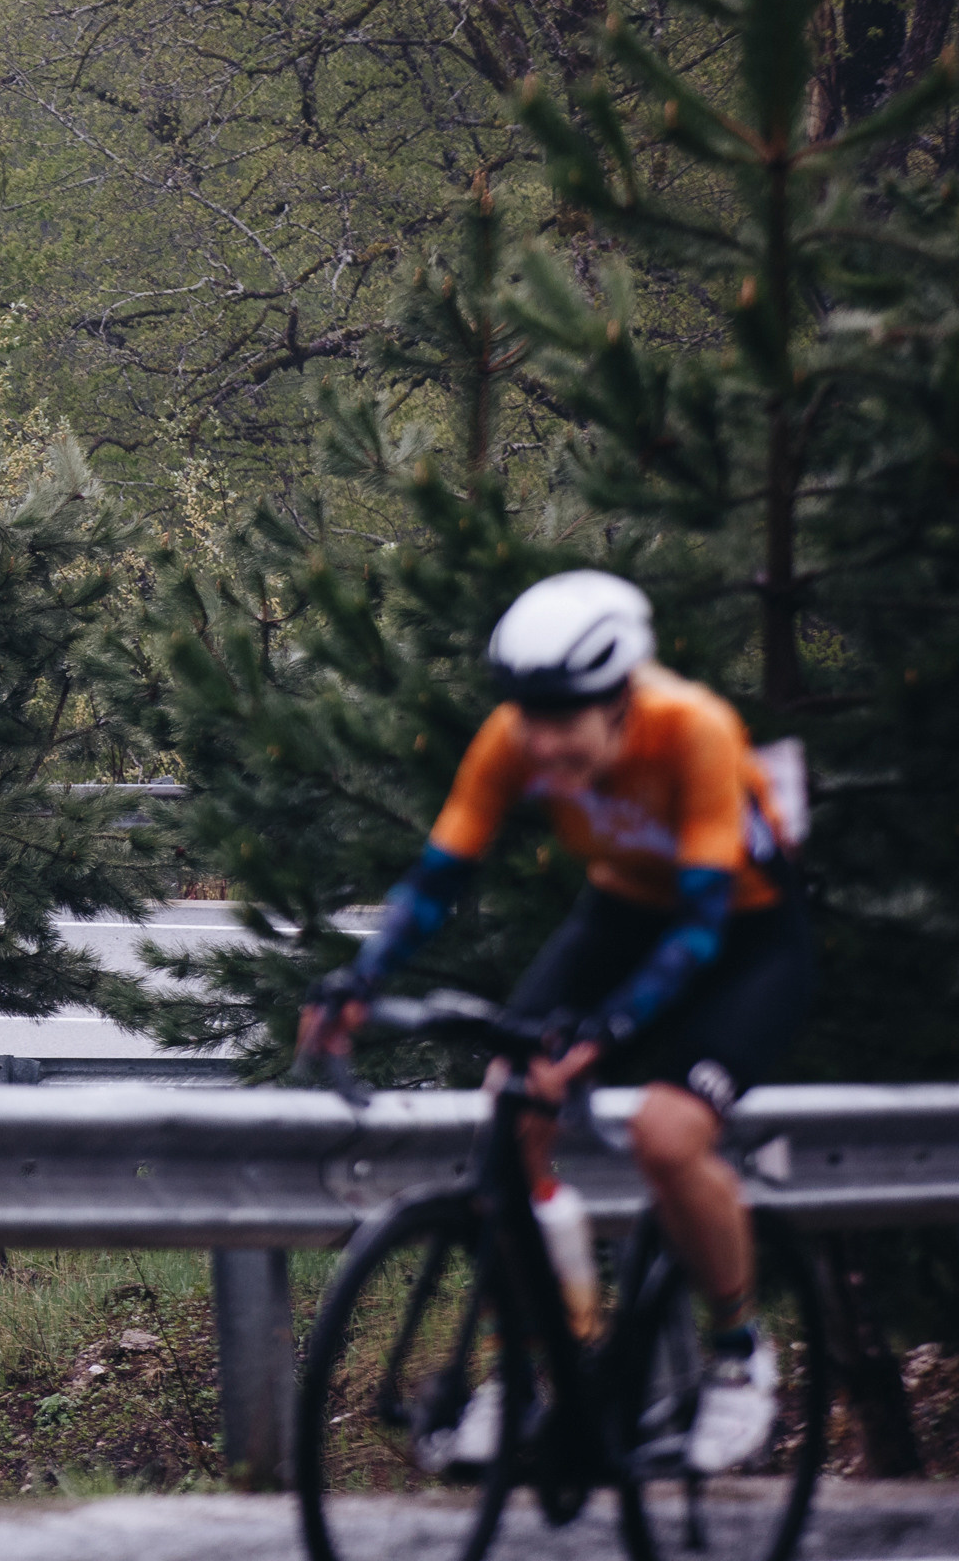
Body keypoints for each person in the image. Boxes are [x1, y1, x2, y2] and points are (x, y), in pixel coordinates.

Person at [298, 570, 811, 1475]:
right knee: (510, 1108)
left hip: (740, 936)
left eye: (563, 716)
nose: (540, 740)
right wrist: (358, 980)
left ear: (621, 701)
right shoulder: (514, 740)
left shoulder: (692, 729)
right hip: (615, 918)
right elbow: (439, 878)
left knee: (665, 1134)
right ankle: (539, 1366)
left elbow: (699, 929)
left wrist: (607, 1034)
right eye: (525, 715)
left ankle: (737, 1357)